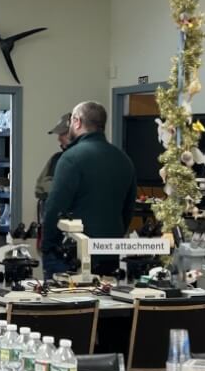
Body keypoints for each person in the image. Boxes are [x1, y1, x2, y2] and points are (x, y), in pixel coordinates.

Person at [41, 101, 136, 278]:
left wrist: (47, 247)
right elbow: (128, 209)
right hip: (111, 253)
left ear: (77, 122)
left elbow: (55, 207)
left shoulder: (71, 158)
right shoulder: (124, 159)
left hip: (72, 254)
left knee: (64, 296)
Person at [35, 112, 71, 225]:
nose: (59, 139)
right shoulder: (56, 159)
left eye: (62, 134)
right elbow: (39, 188)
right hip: (54, 221)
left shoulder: (88, 160)